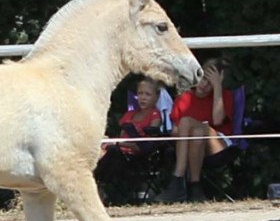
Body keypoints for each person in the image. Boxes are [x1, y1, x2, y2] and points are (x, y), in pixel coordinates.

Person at [155, 57, 234, 203]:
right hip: (190, 144)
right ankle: (195, 186)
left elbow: (217, 120)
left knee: (189, 123)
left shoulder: (224, 97)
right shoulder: (184, 98)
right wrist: (190, 130)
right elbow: (174, 131)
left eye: (210, 83)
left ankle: (177, 179)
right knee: (195, 132)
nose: (204, 85)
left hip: (217, 146)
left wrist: (217, 88)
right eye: (203, 78)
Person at [96, 77, 162, 180]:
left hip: (135, 156)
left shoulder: (155, 115)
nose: (143, 97)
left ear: (156, 97)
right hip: (119, 151)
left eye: (147, 94)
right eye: (140, 93)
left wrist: (115, 143)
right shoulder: (129, 114)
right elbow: (122, 137)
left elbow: (146, 146)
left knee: (112, 152)